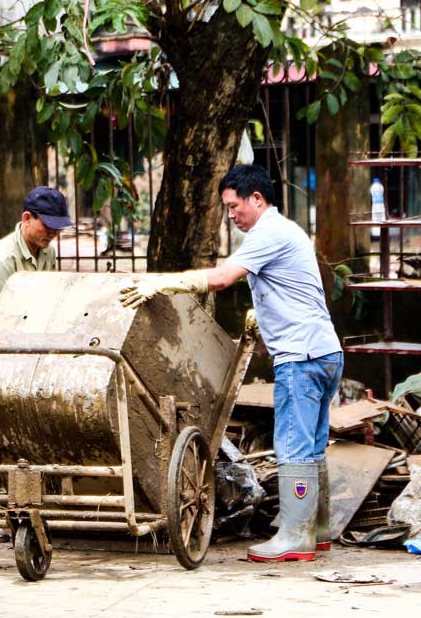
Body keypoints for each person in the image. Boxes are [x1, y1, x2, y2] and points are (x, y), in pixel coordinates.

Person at [120, 164, 343, 563]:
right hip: (325, 352)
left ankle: (295, 537)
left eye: (234, 206)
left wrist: (162, 283)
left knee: (292, 447)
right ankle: (317, 531)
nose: (231, 215)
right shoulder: (289, 231)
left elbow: (223, 278)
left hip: (300, 358)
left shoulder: (267, 233)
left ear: (257, 199)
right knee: (311, 446)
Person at [0, 186, 74, 382]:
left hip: (23, 354)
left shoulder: (47, 252)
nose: (53, 233)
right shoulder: (0, 261)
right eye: (48, 225)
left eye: (58, 227)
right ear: (27, 218)